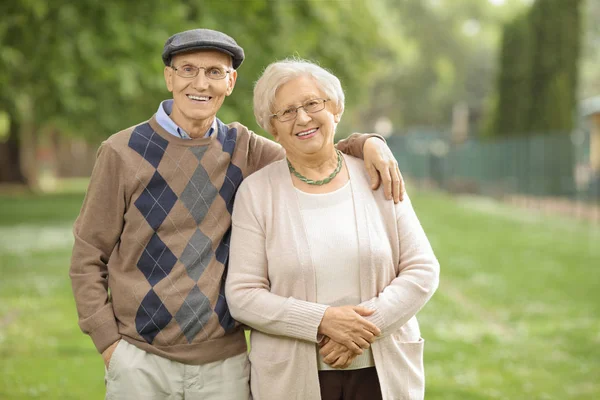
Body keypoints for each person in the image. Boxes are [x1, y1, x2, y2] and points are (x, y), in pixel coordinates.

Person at [69, 29, 405, 400]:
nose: (201, 83)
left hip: (224, 364)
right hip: (139, 359)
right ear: (169, 77)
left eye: (215, 72)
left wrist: (369, 142)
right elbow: (87, 256)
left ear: (231, 82)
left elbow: (314, 145)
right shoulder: (121, 152)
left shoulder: (244, 149)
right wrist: (109, 345)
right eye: (188, 70)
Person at [225, 58, 440, 400]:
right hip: (292, 380)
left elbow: (422, 270)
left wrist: (364, 329)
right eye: (287, 112)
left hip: (383, 374)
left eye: (312, 103)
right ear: (272, 128)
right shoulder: (256, 193)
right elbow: (243, 296)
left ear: (336, 108)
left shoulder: (377, 173)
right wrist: (322, 321)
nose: (303, 118)